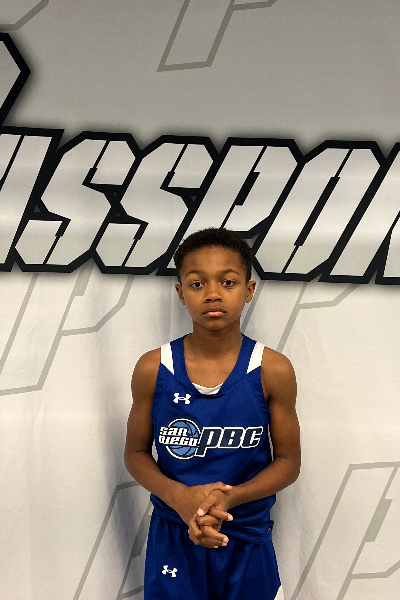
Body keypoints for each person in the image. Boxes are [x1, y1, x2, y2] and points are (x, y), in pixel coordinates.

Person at [124, 227, 300, 600]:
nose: (213, 293)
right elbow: (136, 453)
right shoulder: (153, 368)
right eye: (197, 283)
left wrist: (231, 498)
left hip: (245, 534)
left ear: (248, 290)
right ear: (181, 293)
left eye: (228, 281)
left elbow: (288, 462)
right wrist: (179, 497)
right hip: (175, 534)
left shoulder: (273, 369)